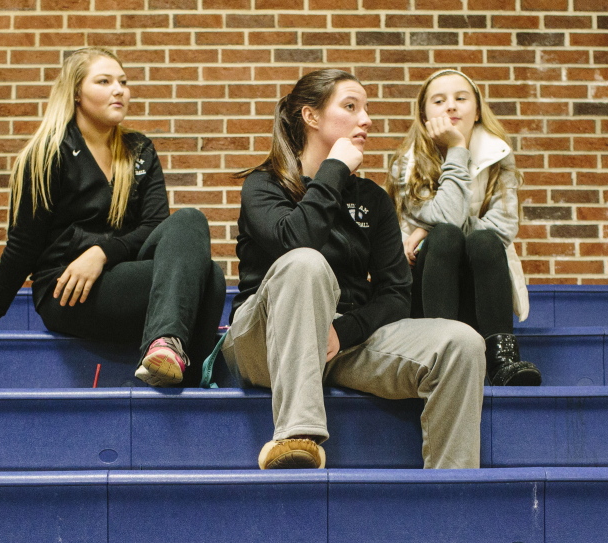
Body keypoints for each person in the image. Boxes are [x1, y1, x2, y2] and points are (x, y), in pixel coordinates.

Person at [224, 69, 485, 471]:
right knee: (305, 263)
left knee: (461, 342)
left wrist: (344, 331)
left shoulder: (372, 200)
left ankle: (451, 493)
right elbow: (295, 241)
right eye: (351, 107)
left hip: (339, 341)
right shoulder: (264, 185)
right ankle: (298, 436)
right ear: (311, 117)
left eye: (366, 109)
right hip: (264, 341)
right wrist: (333, 170)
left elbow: (396, 293)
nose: (366, 119)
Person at [0, 47, 224, 387]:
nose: (119, 90)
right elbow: (22, 245)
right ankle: (180, 366)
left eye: (123, 82)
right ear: (77, 93)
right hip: (67, 290)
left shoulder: (139, 150)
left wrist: (102, 253)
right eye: (104, 81)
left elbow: (153, 228)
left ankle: (170, 358)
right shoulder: (48, 153)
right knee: (207, 277)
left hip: (125, 275)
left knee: (191, 224)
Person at [385, 68, 541, 386]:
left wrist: (423, 229)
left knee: (483, 240)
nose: (451, 107)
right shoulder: (407, 162)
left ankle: (501, 359)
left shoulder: (499, 156)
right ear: (424, 114)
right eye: (439, 101)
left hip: (479, 288)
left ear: (478, 110)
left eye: (461, 98)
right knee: (445, 235)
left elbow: (502, 227)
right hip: (426, 292)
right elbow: (448, 220)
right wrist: (457, 149)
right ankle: (440, 354)